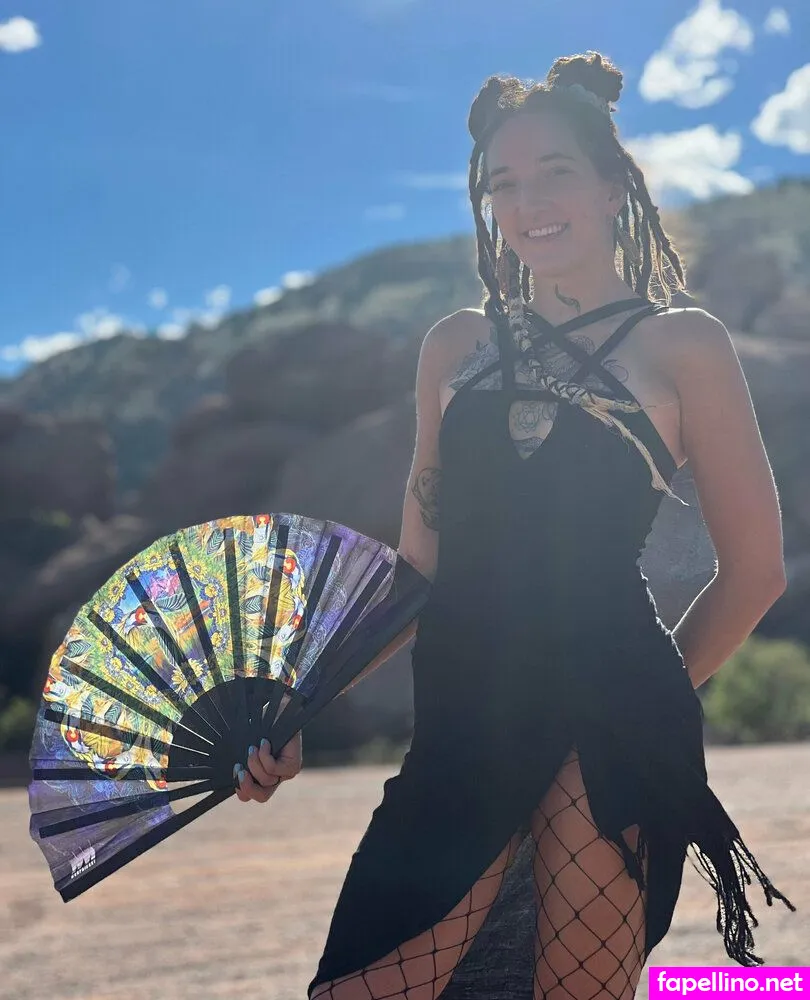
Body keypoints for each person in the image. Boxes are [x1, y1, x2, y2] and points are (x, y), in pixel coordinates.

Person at [236, 51, 796, 1000]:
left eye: (555, 172)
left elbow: (755, 571)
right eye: (504, 183)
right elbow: (417, 567)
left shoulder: (684, 345)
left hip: (609, 722)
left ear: (615, 186)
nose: (527, 201)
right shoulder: (454, 345)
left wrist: (649, 695)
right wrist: (303, 705)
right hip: (463, 723)